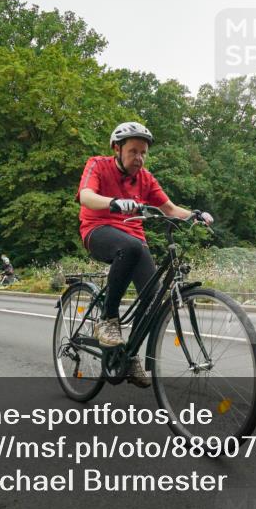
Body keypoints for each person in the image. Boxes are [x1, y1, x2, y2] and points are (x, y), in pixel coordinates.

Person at [77, 121, 213, 388]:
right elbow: (86, 196)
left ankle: (128, 357)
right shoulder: (98, 164)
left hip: (135, 241)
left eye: (143, 153)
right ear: (117, 149)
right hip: (97, 230)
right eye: (133, 151)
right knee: (129, 247)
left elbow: (169, 209)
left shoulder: (146, 178)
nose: (139, 158)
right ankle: (108, 320)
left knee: (154, 299)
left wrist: (194, 215)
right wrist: (113, 203)